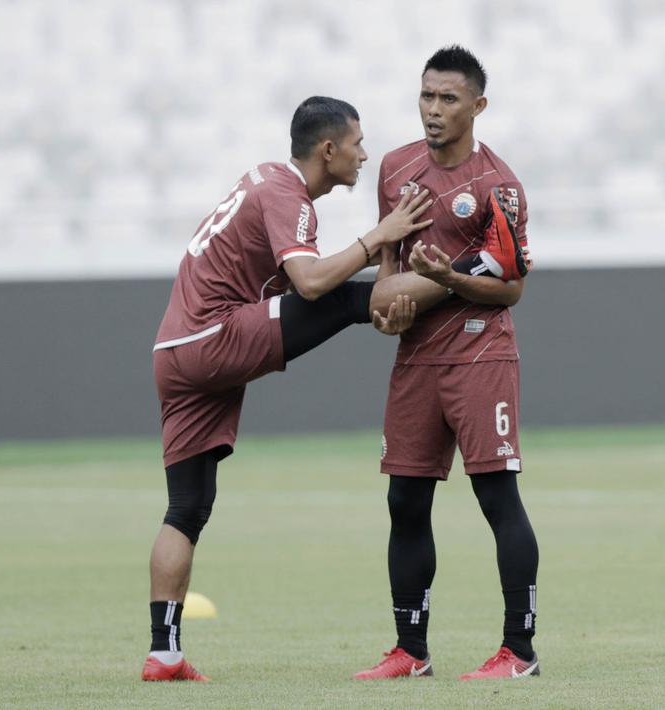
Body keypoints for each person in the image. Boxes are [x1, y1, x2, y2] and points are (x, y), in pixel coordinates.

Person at [144, 96, 463, 681]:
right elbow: (311, 283)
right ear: (328, 149)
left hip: (174, 350)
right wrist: (380, 238)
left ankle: (163, 654)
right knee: (342, 297)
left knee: (187, 507)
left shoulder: (264, 179)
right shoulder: (288, 195)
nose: (365, 154)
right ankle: (468, 282)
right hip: (212, 337)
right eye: (358, 143)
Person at [352, 45, 540, 682]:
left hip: (482, 350)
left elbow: (512, 287)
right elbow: (385, 277)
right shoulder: (396, 167)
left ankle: (519, 651)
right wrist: (390, 310)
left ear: (478, 106)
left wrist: (448, 282)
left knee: (497, 499)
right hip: (416, 360)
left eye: (448, 99)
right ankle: (411, 651)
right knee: (404, 501)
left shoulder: (500, 188)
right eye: (426, 96)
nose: (433, 110)